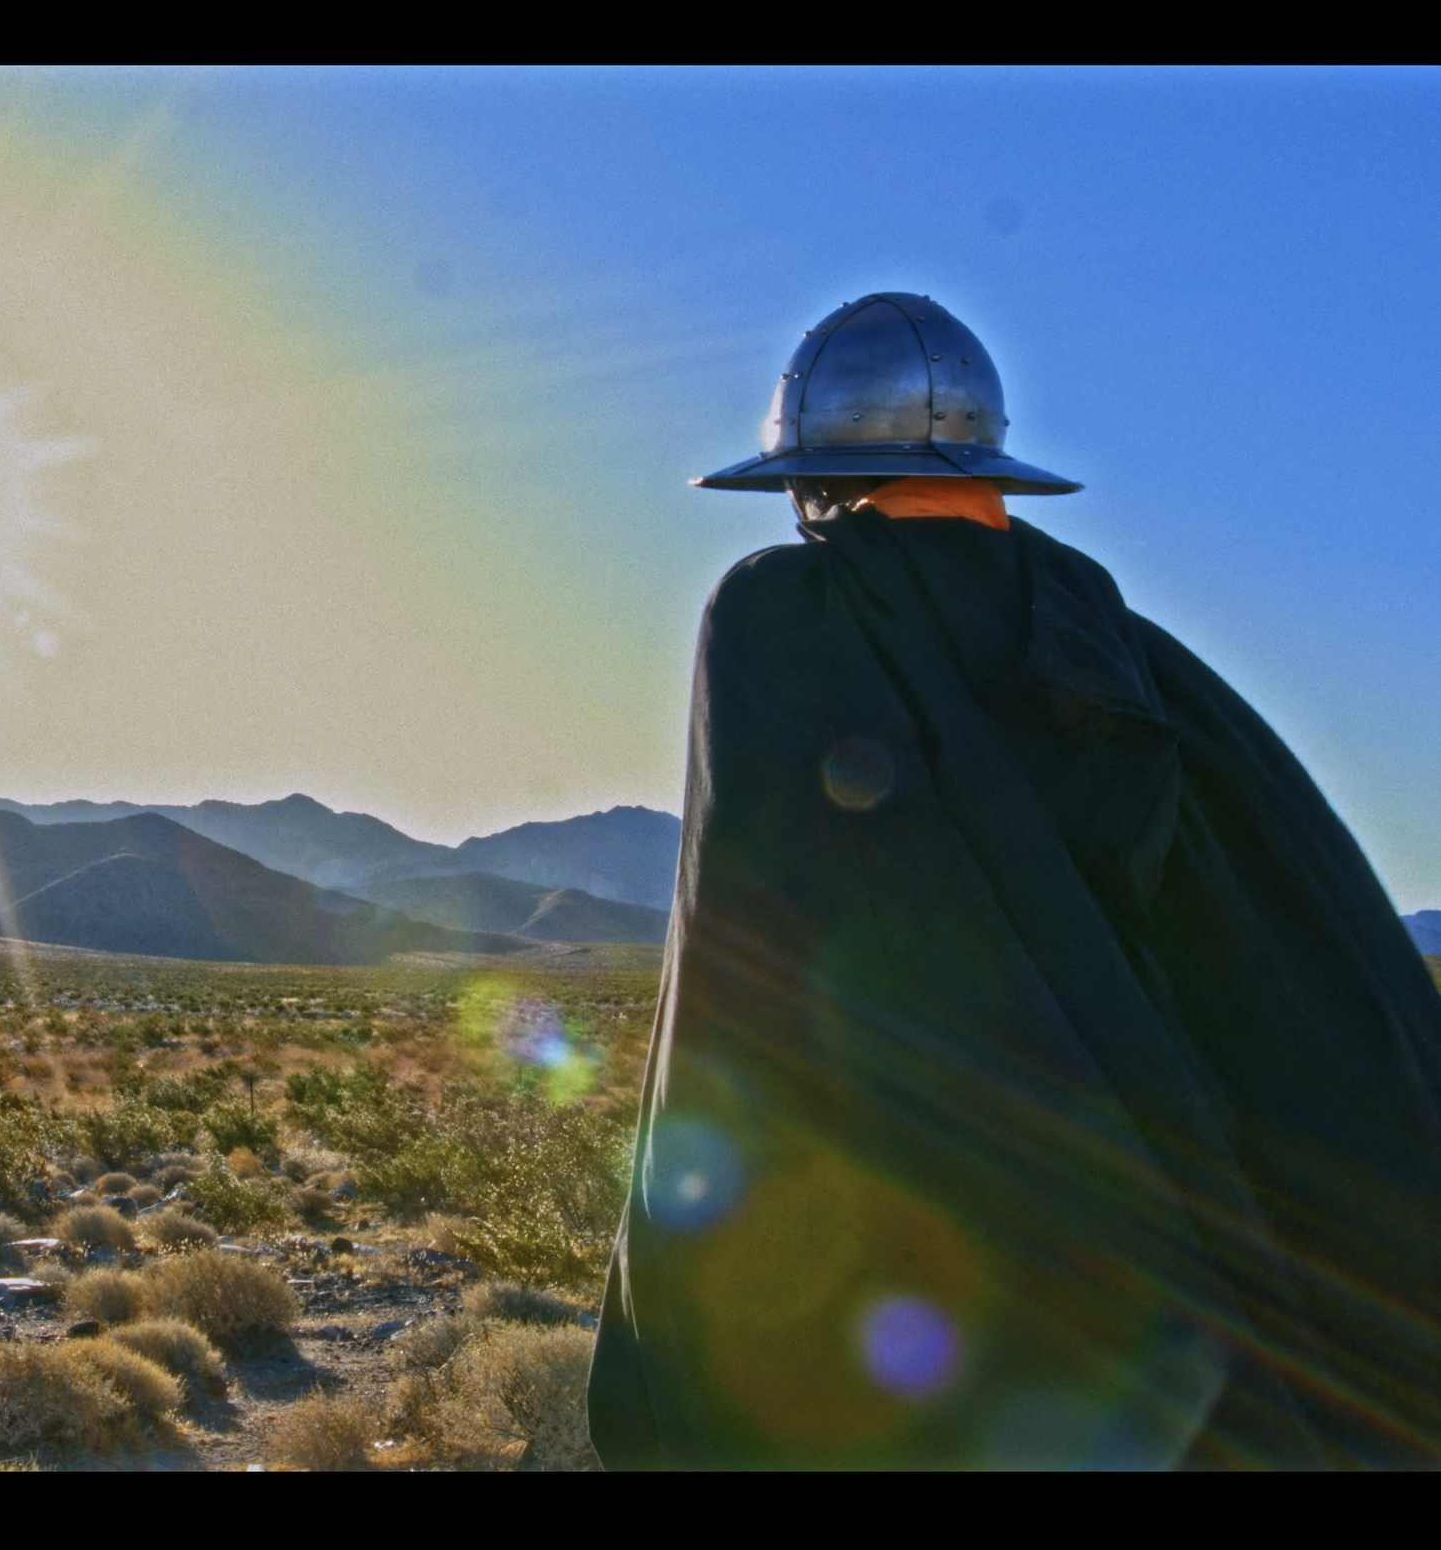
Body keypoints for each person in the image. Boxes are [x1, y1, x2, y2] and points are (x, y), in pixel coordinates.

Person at [587, 292, 1441, 1468]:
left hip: (924, 1264)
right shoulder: (1137, 661)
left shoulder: (783, 616)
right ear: (987, 468)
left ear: (812, 481)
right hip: (1181, 1287)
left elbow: (747, 956)